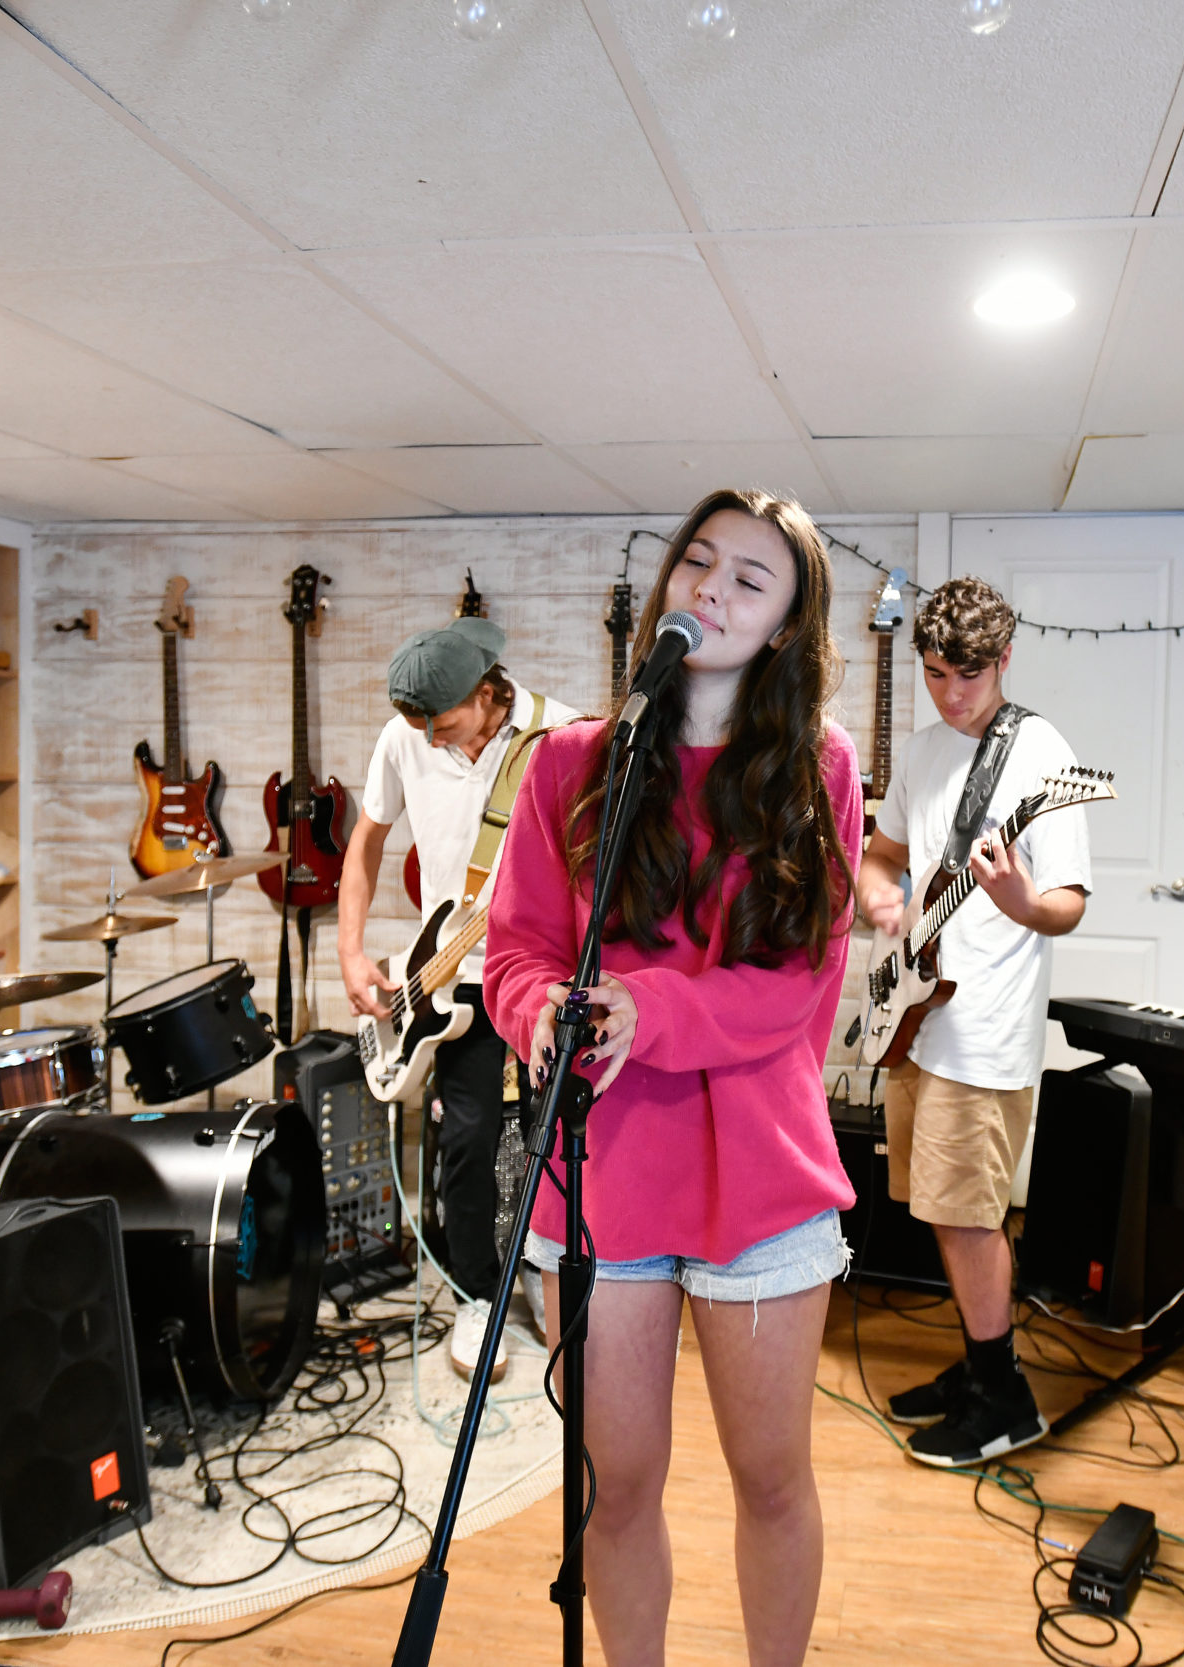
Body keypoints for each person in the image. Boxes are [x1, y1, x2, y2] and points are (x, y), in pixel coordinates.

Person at [482, 488, 863, 1667]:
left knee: (769, 1478)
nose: (711, 587)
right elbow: (517, 948)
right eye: (699, 561)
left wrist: (653, 1008)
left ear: (788, 626)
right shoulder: (568, 764)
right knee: (616, 1484)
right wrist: (537, 1008)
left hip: (759, 1172)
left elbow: (800, 984)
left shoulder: (819, 770)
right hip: (603, 1175)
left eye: (751, 578)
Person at [857, 577, 1091, 1467]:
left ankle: (1005, 1397)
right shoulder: (920, 753)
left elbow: (1067, 902)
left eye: (970, 675)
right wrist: (883, 901)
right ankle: (975, 1364)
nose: (953, 695)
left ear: (1004, 659)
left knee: (968, 1214)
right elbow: (884, 855)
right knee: (935, 1206)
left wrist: (1024, 900)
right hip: (914, 1015)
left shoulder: (1040, 752)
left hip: (985, 1026)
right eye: (936, 674)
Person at [338, 614, 579, 1381]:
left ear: (487, 692)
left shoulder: (565, 737)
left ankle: (551, 1283)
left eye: (442, 724)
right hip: (448, 978)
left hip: (544, 977)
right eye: (420, 728)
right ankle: (477, 1297)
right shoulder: (404, 736)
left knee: (559, 1139)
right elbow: (367, 841)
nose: (430, 740)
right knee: (468, 1143)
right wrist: (349, 951)